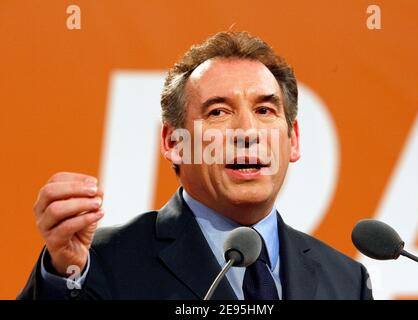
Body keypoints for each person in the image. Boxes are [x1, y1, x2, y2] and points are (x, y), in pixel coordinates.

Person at [18, 31, 373, 300]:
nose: (247, 132)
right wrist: (64, 273)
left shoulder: (346, 280)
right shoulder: (102, 263)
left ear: (292, 140)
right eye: (218, 112)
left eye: (265, 110)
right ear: (174, 142)